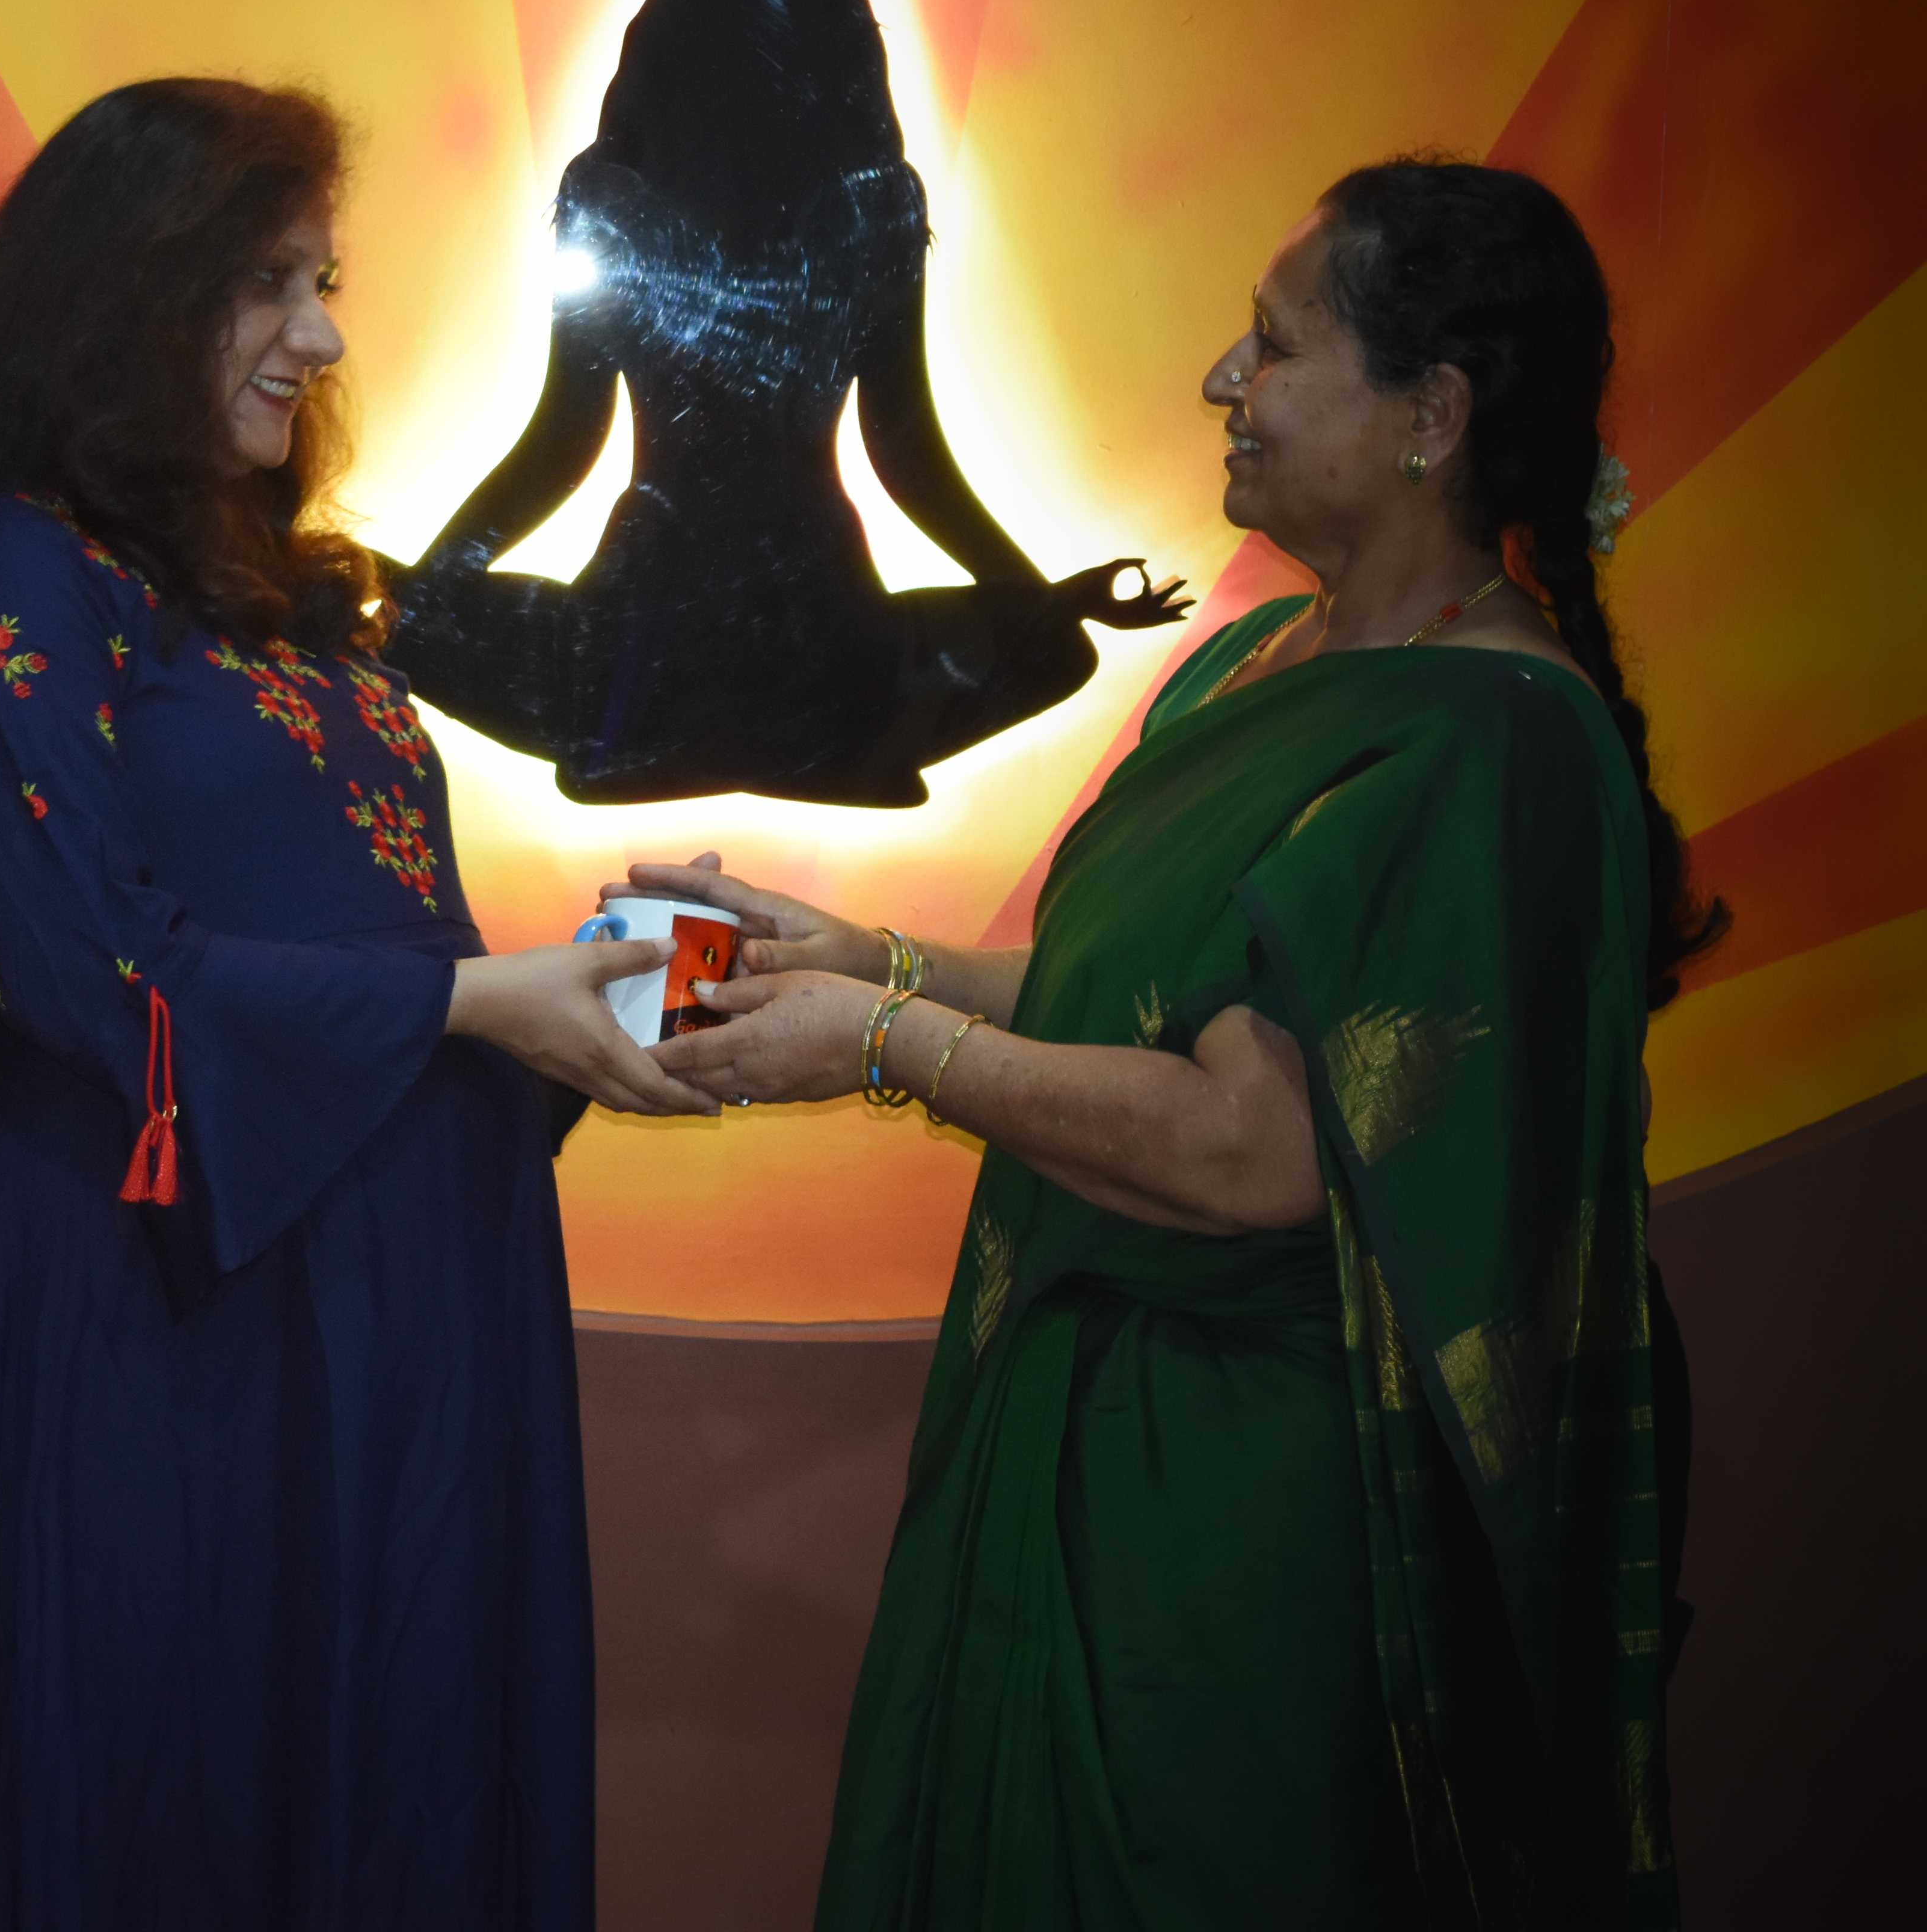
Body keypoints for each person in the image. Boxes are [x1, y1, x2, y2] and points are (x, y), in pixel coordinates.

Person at [629, 158, 1711, 1926]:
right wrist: (868, 956)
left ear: (1431, 416)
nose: (1224, 380)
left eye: (1273, 346)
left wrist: (883, 1043)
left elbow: (1252, 1147)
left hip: (1246, 1521)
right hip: (1077, 1433)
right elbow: (1112, 995)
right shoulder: (1254, 662)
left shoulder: (1494, 743)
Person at [0, 79, 709, 1931]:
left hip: (344, 1302)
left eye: (322, 283)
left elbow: (387, 950)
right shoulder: (3, 563)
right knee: (109, 1782)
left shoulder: (279, 595)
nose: (321, 336)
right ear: (129, 295)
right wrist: (478, 1002)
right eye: (268, 284)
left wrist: (603, 986)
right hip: (110, 1300)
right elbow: (80, 968)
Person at [382, 0, 1180, 808]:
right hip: (820, 630)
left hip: (650, 625)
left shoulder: (617, 193)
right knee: (1057, 654)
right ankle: (827, 752)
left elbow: (563, 441)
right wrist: (1038, 605)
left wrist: (430, 590)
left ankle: (658, 745)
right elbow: (906, 454)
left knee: (407, 626)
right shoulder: (872, 200)